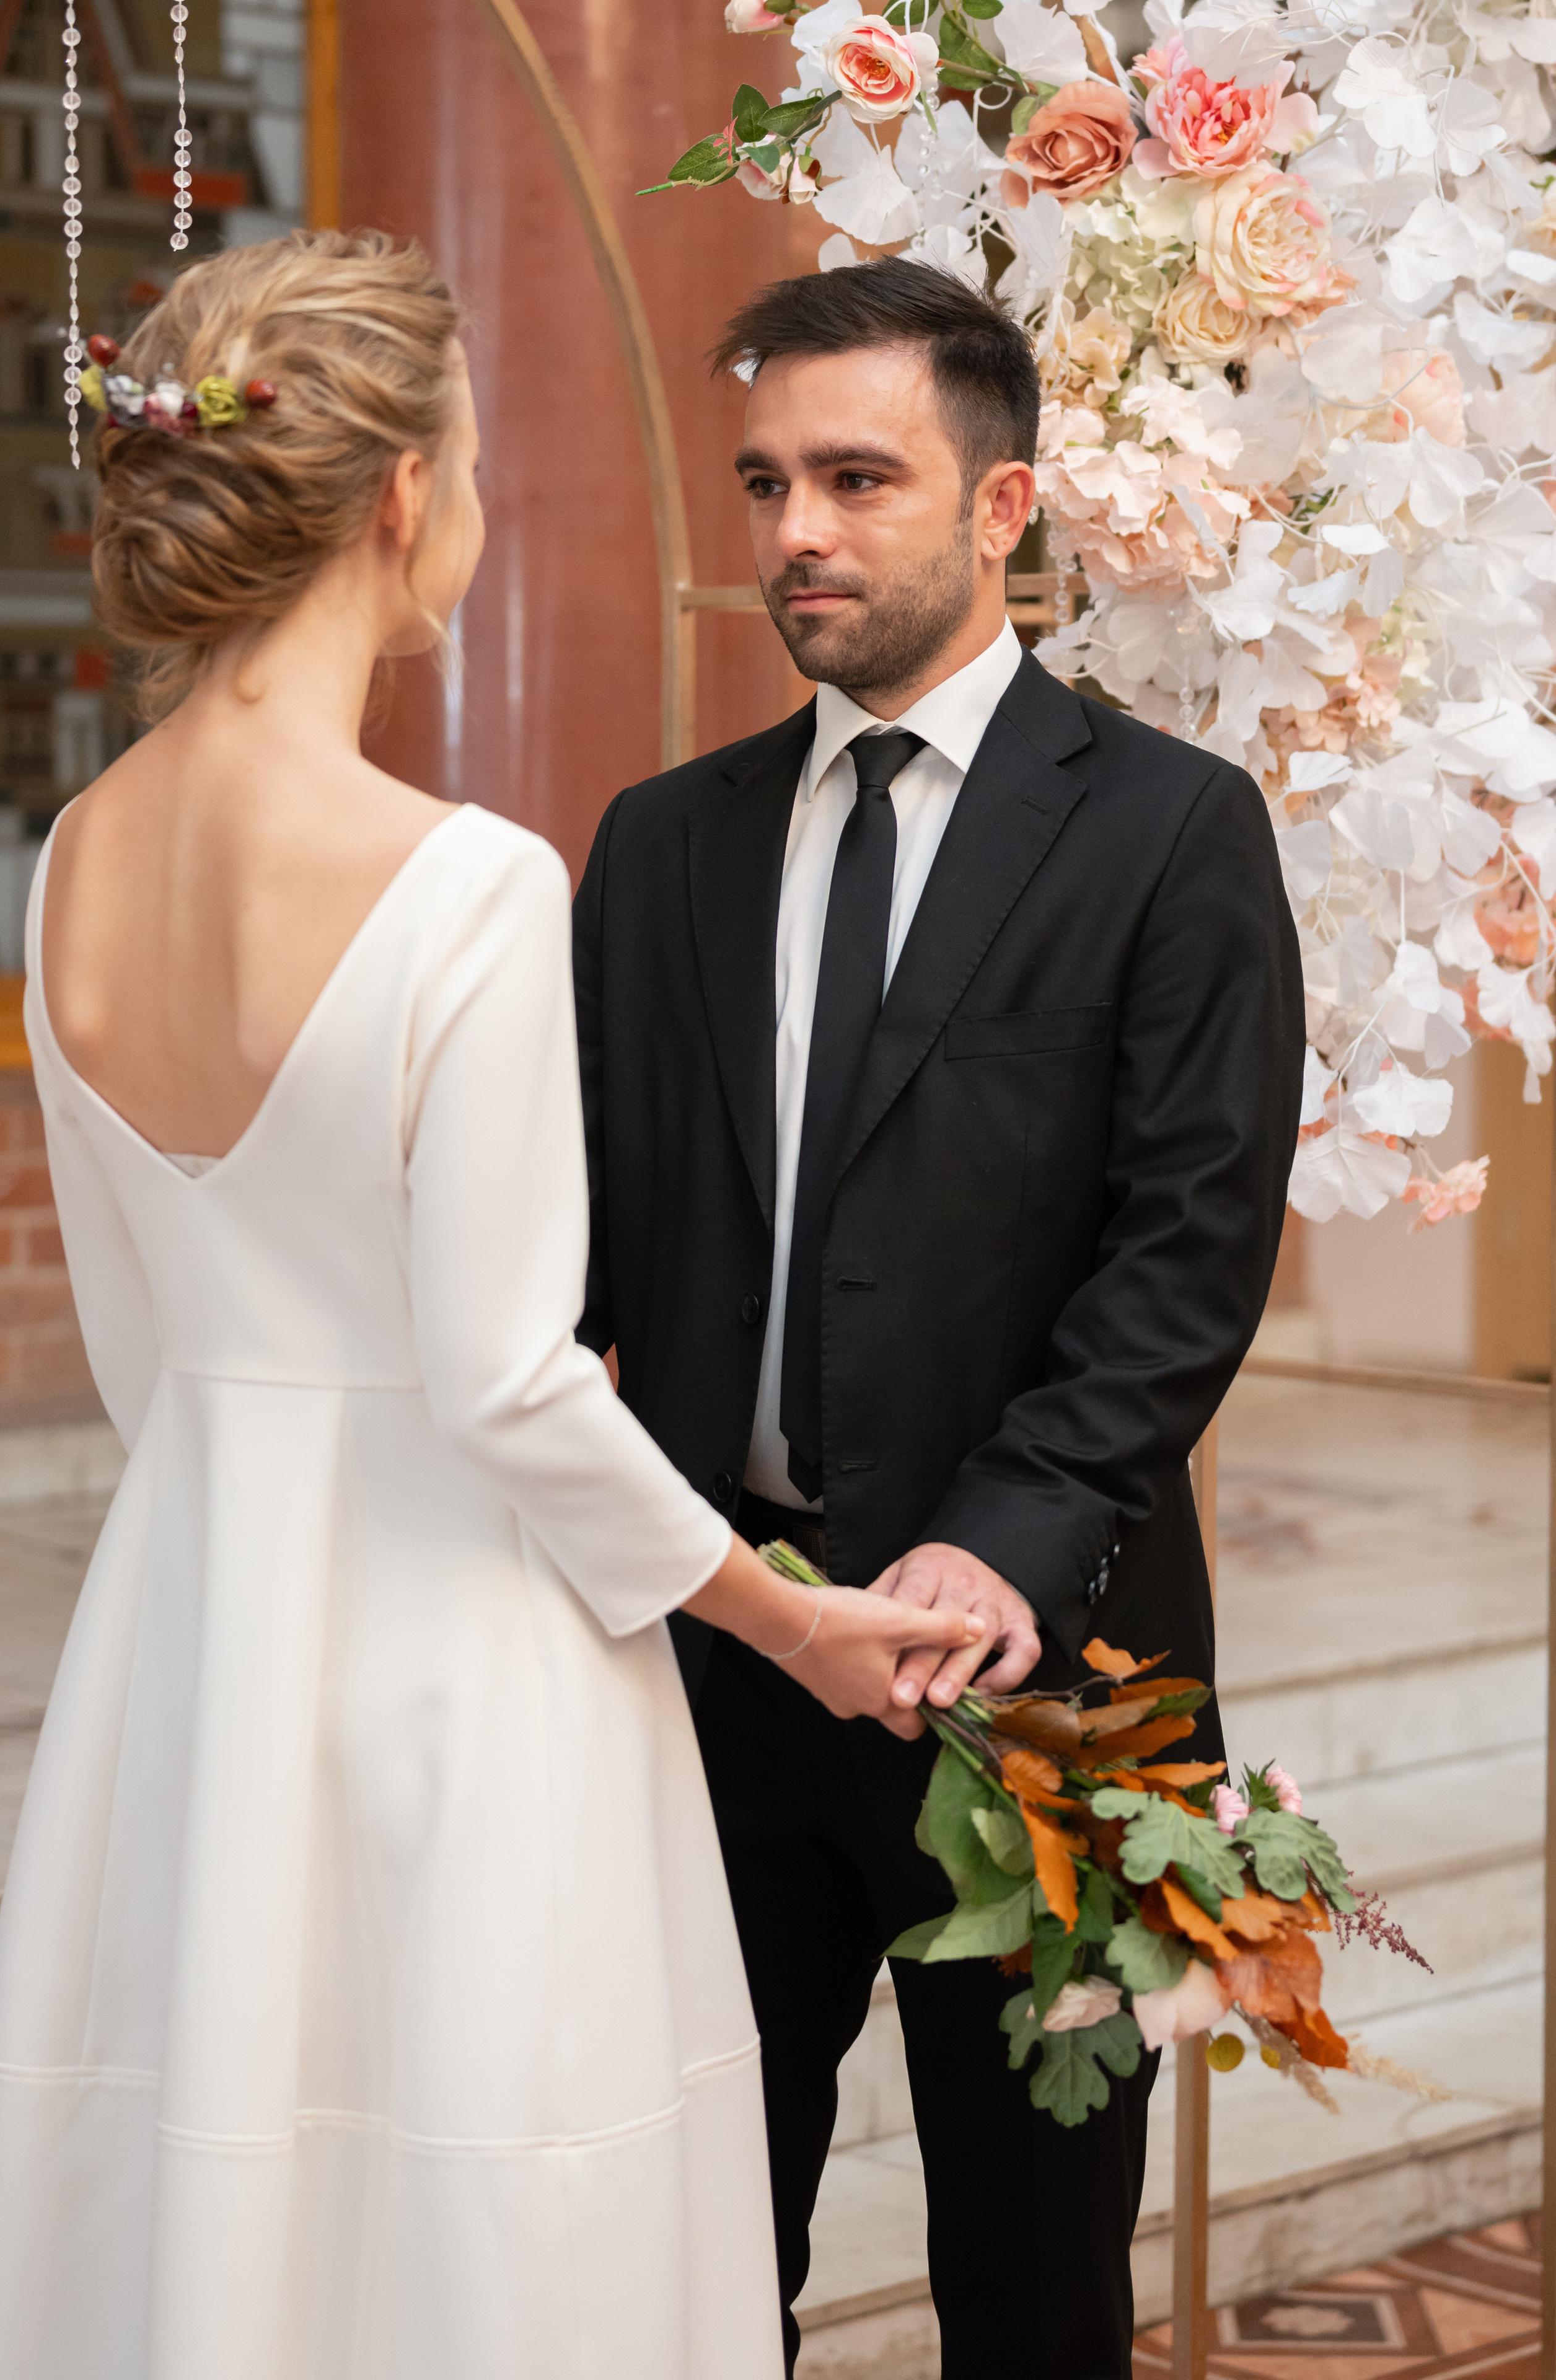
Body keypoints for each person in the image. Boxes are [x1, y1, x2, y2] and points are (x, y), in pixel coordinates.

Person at [0, 230, 977, 2380]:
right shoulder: (465, 880)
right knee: (490, 2207)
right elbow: (510, 1384)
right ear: (409, 496)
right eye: (482, 465)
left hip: (195, 1635)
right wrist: (791, 1620)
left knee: (230, 2168)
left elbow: (154, 1358)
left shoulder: (71, 864)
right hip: (456, 1646)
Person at [574, 257, 1304, 2379]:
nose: (798, 530)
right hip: (722, 1676)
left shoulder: (1174, 831)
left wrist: (1001, 1534)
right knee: (697, 2259)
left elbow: (1188, 1249)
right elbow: (595, 1254)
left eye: (859, 478)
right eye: (769, 479)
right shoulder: (656, 849)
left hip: (1050, 1689)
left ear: (1003, 506)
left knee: (1035, 2282)